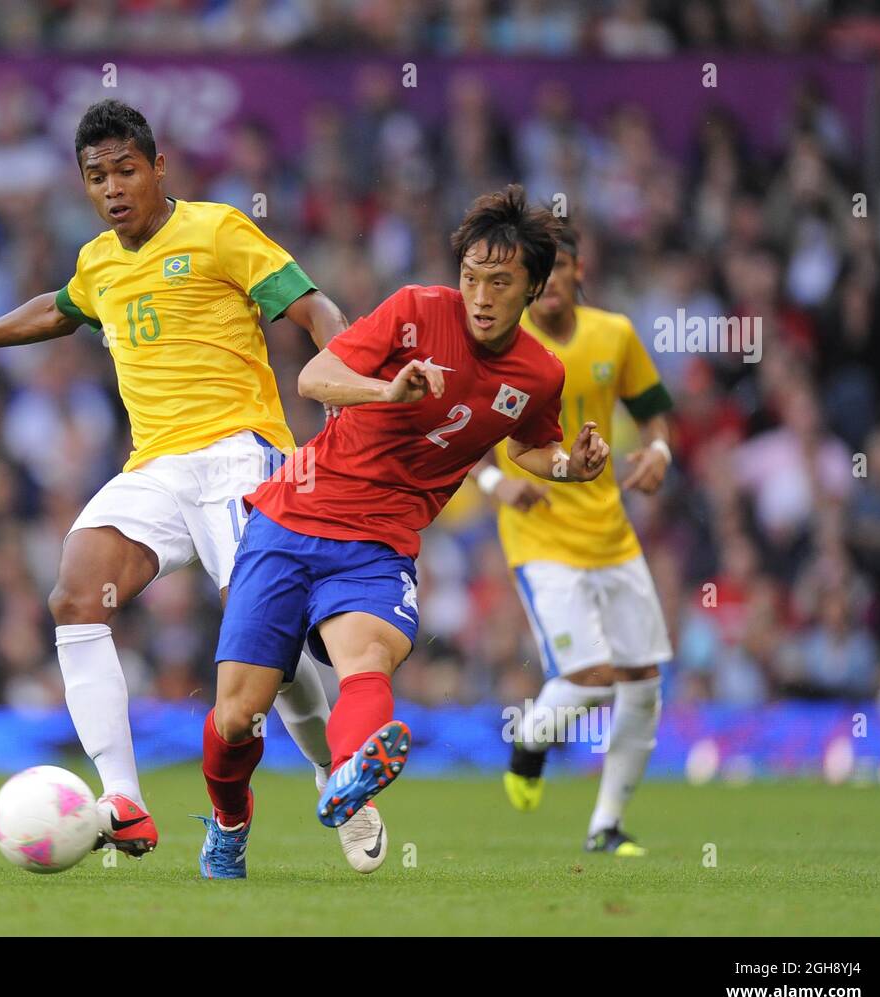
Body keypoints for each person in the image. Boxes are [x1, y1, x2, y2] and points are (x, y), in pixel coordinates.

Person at [0, 99, 365, 864]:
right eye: (96, 176)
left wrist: (349, 390)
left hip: (240, 456)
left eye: (125, 170)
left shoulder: (217, 230)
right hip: (154, 468)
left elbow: (315, 307)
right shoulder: (99, 262)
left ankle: (329, 773)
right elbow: (60, 307)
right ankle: (125, 800)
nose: (112, 188)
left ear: (158, 167)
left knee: (269, 654)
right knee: (74, 593)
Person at [198, 186, 610, 879]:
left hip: (380, 543)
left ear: (534, 288)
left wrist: (572, 465)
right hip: (290, 519)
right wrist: (385, 391)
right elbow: (315, 376)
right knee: (237, 717)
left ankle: (350, 775)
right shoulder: (417, 310)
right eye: (472, 277)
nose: (480, 295)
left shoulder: (541, 373)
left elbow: (529, 448)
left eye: (500, 282)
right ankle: (230, 823)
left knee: (369, 660)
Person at [480, 224, 674, 856]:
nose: (550, 282)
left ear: (576, 270)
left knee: (643, 678)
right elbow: (462, 429)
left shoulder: (613, 334)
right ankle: (532, 738)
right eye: (539, 273)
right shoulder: (503, 343)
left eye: (559, 267)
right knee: (591, 676)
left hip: (612, 533)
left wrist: (660, 450)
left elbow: (651, 409)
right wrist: (493, 481)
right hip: (540, 536)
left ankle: (607, 825)